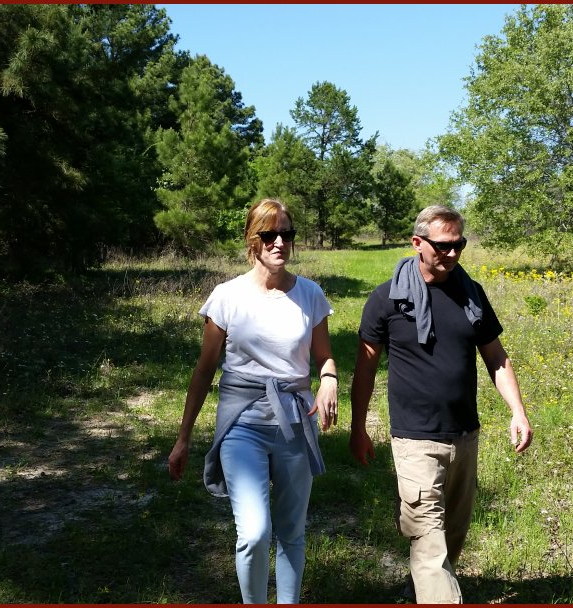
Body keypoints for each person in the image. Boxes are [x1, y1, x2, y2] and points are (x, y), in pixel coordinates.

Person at [350, 205, 533, 604]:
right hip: (415, 439)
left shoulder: (471, 294)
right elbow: (365, 369)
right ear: (418, 243)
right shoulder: (387, 299)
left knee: (450, 537)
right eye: (443, 246)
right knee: (428, 541)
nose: (452, 253)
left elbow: (496, 357)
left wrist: (517, 411)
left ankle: (416, 590)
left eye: (459, 244)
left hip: (465, 434)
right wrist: (358, 427)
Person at [168, 198, 339, 604]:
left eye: (287, 234)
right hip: (242, 424)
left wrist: (329, 379)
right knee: (255, 533)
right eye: (270, 234)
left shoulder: (311, 294)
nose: (280, 242)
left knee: (292, 532)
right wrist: (183, 438)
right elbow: (204, 371)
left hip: (296, 422)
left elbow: (325, 356)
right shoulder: (227, 296)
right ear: (252, 239)